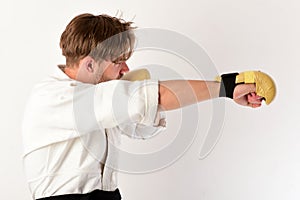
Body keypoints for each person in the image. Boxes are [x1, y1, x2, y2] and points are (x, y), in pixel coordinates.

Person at [22, 13, 265, 200]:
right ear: (89, 65)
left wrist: (137, 96)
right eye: (118, 62)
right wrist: (226, 87)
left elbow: (140, 126)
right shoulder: (54, 97)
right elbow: (155, 97)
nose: (125, 69)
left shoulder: (99, 99)